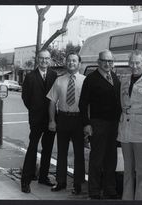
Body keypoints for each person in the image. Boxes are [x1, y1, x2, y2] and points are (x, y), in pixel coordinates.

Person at [79, 49, 121, 199]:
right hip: (98, 124)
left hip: (113, 125)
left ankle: (110, 189)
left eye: (110, 61)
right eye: (105, 61)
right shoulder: (91, 79)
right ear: (99, 62)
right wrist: (86, 124)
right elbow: (83, 104)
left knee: (111, 158)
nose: (108, 64)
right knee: (97, 159)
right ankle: (94, 190)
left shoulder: (115, 77)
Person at [117, 50, 142, 200]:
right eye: (132, 62)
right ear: (129, 63)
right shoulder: (124, 80)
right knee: (127, 170)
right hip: (125, 131)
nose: (134, 66)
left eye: (138, 62)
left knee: (141, 172)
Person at [47, 52, 85, 194]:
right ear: (66, 63)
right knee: (61, 152)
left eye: (74, 61)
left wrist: (87, 124)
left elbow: (88, 105)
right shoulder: (59, 80)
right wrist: (52, 120)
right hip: (62, 118)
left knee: (79, 153)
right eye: (69, 60)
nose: (71, 63)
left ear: (79, 63)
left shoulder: (85, 80)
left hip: (79, 120)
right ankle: (61, 182)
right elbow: (52, 102)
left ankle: (77, 184)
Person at [21, 49, 57, 193]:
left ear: (50, 60)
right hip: (36, 119)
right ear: (37, 59)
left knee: (47, 148)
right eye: (41, 58)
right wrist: (35, 110)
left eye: (47, 59)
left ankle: (43, 176)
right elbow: (25, 98)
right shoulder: (30, 76)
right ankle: (26, 180)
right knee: (33, 148)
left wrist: (52, 117)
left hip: (51, 119)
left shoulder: (54, 75)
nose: (44, 61)